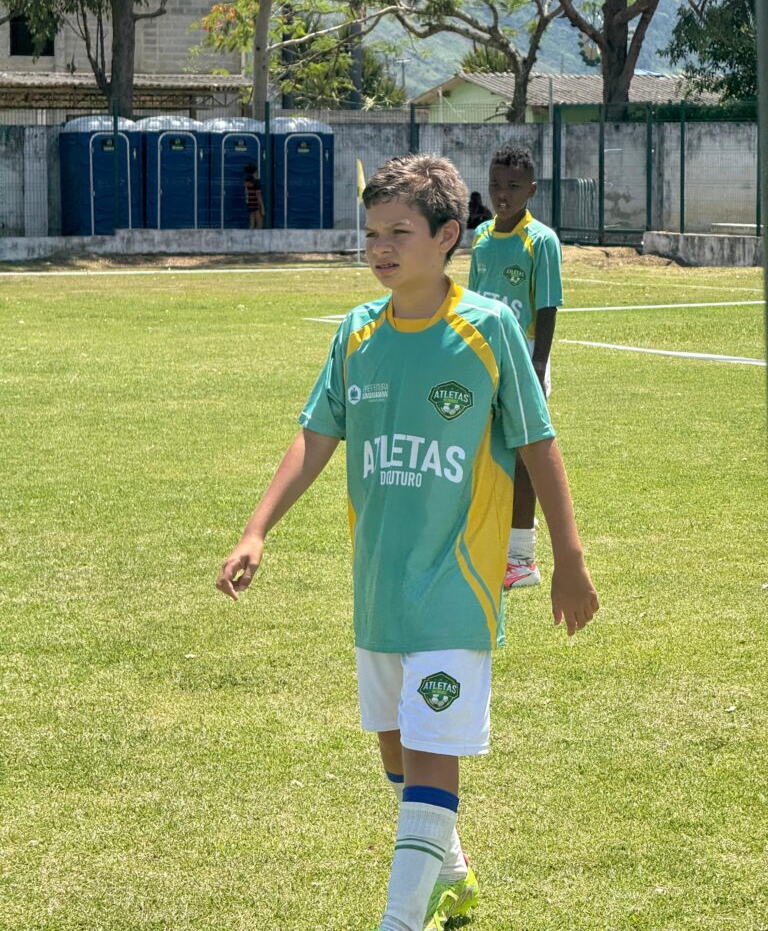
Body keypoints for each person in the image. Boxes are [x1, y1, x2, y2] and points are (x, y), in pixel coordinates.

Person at [216, 154, 598, 931]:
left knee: (430, 755)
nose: (380, 248)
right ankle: (451, 874)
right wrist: (257, 529)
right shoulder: (357, 333)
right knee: (396, 751)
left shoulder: (488, 329)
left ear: (448, 235)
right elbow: (315, 436)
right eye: (370, 234)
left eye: (398, 232)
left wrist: (568, 559)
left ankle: (400, 919)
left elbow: (538, 443)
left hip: (456, 588)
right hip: (380, 587)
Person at [469, 144, 563, 592]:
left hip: (523, 354)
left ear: (531, 190)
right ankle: (491, 543)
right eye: (495, 185)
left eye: (512, 186)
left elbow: (547, 305)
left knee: (525, 456)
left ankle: (522, 559)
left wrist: (537, 365)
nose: (502, 194)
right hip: (483, 356)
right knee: (485, 451)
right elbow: (471, 304)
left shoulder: (541, 240)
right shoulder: (481, 236)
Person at [243, 163, 264, 229]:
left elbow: (246, 192)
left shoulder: (246, 182)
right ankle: (257, 235)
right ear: (255, 172)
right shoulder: (256, 182)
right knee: (260, 224)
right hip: (256, 204)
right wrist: (262, 206)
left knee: (252, 224)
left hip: (250, 203)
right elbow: (258, 195)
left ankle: (250, 234)